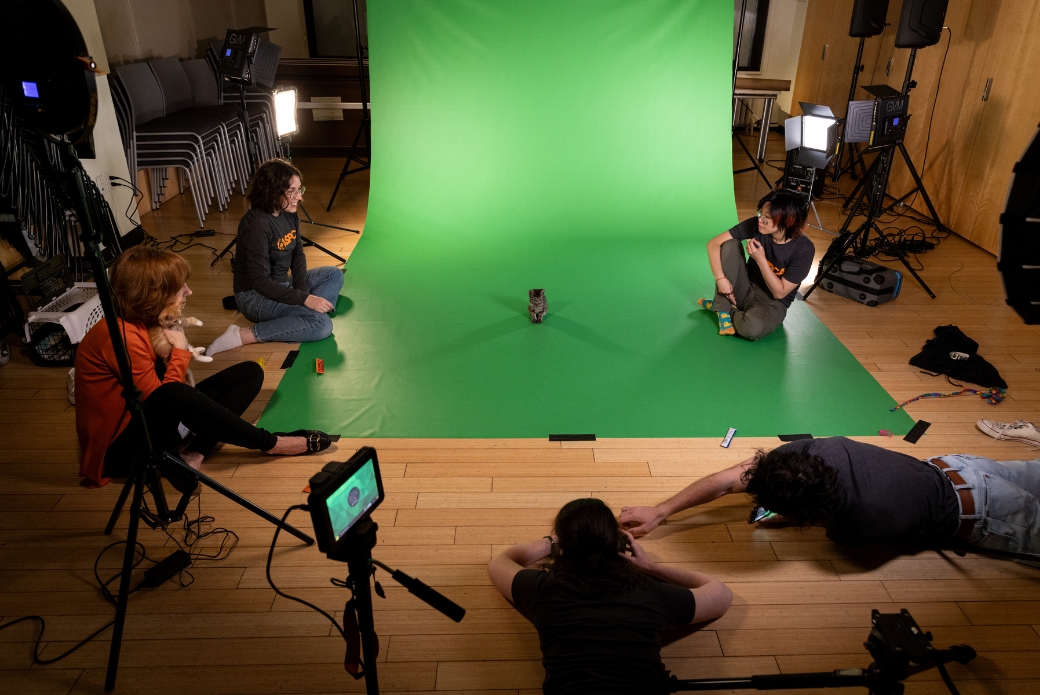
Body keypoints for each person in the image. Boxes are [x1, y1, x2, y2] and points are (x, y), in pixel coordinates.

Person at [75, 246, 333, 488]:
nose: (188, 291)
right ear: (154, 295)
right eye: (179, 288)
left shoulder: (149, 320)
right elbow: (163, 398)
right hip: (123, 452)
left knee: (250, 373)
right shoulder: (120, 336)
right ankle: (272, 443)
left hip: (159, 425)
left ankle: (196, 452)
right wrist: (178, 352)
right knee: (173, 393)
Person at [619, 437, 1040, 557]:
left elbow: (860, 546)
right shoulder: (814, 450)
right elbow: (730, 479)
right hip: (962, 467)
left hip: (988, 514)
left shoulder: (858, 524)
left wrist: (783, 520)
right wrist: (662, 510)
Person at [488, 498, 732, 694]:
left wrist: (553, 541)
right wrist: (652, 568)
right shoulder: (652, 594)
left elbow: (500, 562)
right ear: (619, 545)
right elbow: (720, 594)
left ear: (563, 549)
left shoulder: (542, 589)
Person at [206, 158, 345, 356]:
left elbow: (297, 253)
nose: (299, 197)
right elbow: (260, 281)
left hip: (281, 286)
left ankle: (299, 316)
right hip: (254, 296)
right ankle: (243, 335)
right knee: (322, 325)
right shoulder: (257, 226)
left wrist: (304, 294)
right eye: (292, 192)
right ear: (272, 192)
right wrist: (304, 299)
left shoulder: (288, 211)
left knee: (333, 274)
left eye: (299, 190)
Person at [699, 189, 814, 340]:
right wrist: (721, 279)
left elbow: (780, 293)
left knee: (751, 328)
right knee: (730, 244)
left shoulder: (804, 250)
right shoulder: (756, 225)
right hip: (745, 286)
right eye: (760, 213)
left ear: (787, 221)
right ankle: (723, 309)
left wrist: (761, 260)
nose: (760, 219)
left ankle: (724, 308)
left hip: (772, 302)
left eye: (767, 218)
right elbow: (713, 244)